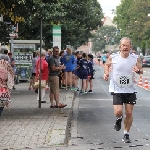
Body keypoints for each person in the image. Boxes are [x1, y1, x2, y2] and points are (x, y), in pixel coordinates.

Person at [103, 37, 143, 143]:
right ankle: (118, 119)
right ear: (120, 47)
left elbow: (140, 70)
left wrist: (138, 70)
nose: (125, 47)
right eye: (123, 45)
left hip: (130, 89)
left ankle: (126, 134)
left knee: (129, 113)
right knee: (118, 112)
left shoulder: (135, 58)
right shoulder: (113, 57)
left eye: (127, 45)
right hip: (117, 89)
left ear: (130, 47)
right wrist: (106, 73)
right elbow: (106, 65)